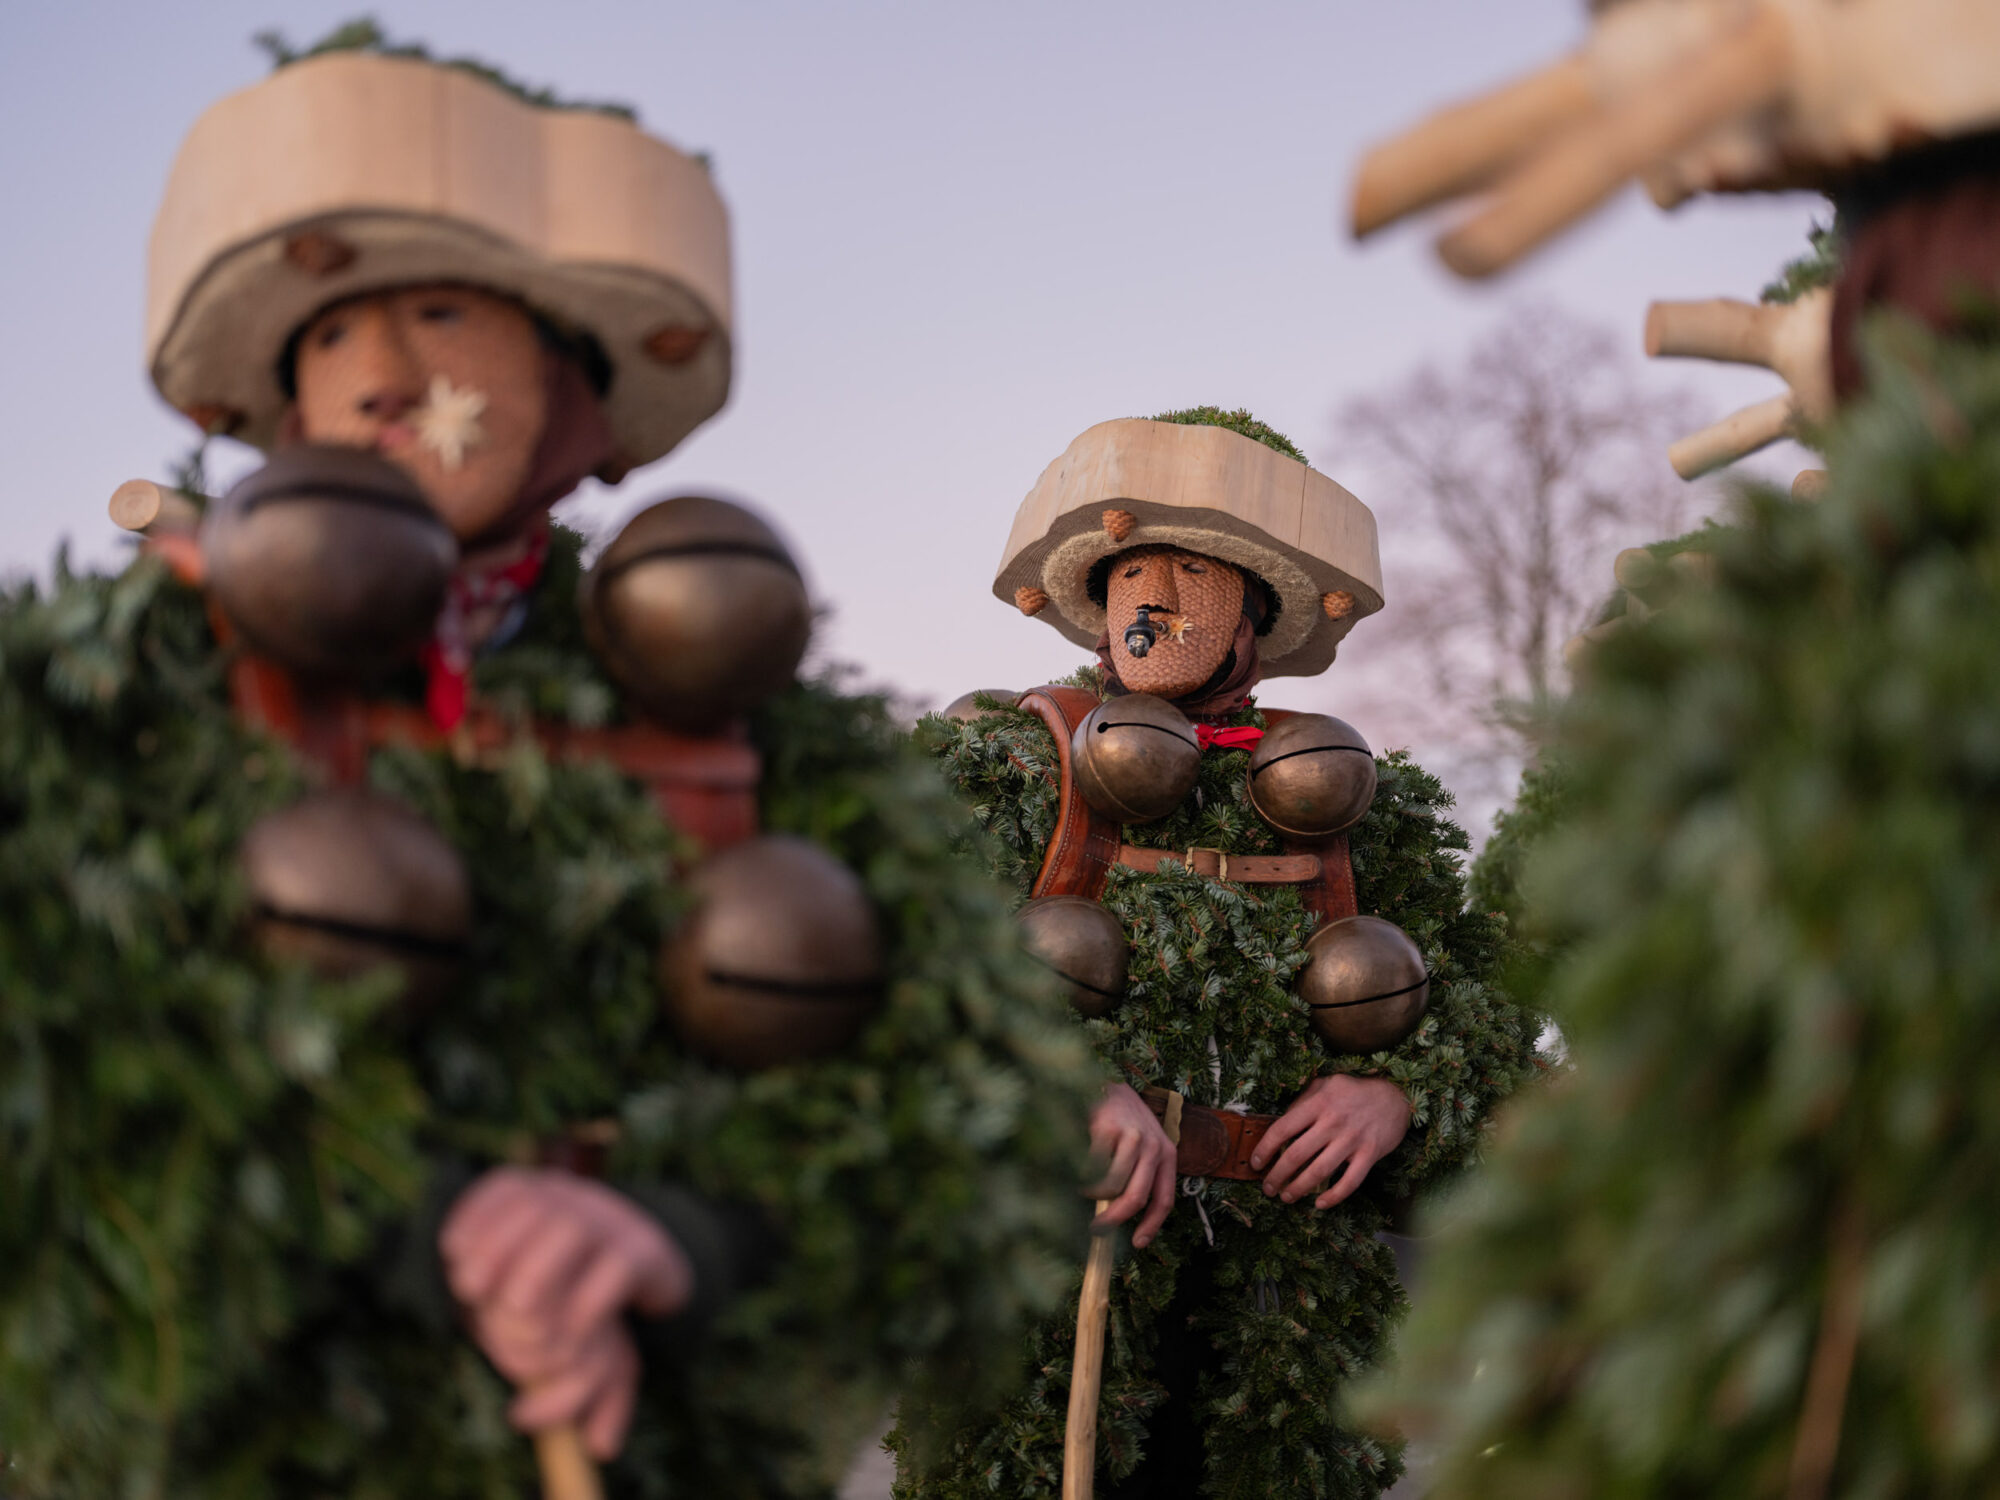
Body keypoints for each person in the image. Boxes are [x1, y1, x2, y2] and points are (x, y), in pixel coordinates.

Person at [1, 32, 1099, 1498]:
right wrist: (424, 1225)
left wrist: (678, 1237)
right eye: (332, 336)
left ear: (574, 387)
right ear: (279, 406)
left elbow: (965, 1118)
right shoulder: (122, 688)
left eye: (444, 313)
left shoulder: (730, 701)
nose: (388, 376)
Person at [893, 408, 1536, 1499]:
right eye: (1133, 570)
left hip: (1282, 1332)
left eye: (1196, 574)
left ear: (1258, 613)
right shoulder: (1002, 763)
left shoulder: (1345, 800)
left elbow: (1486, 1011)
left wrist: (1392, 1093)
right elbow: (884, 968)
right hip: (1042, 1323)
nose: (1156, 603)